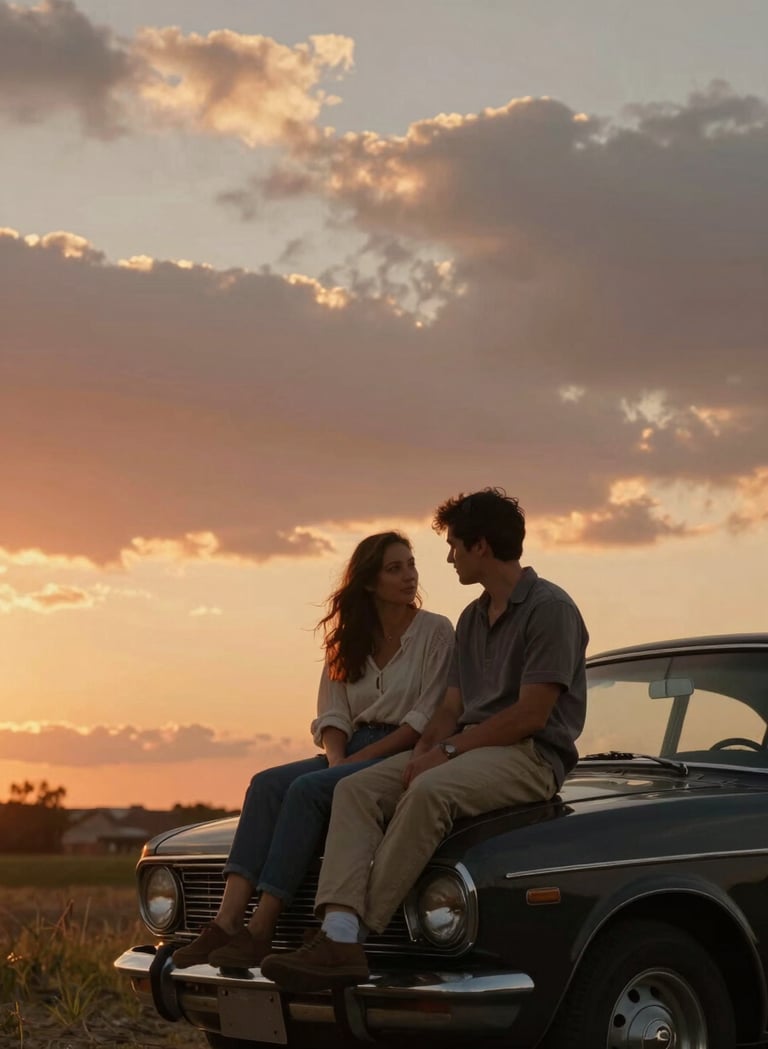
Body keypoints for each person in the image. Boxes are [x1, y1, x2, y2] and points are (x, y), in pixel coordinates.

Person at [261, 488, 589, 991]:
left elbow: (530, 714)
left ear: (481, 546)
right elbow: (451, 708)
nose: (449, 557)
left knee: (430, 791)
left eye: (455, 545)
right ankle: (337, 933)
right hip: (468, 748)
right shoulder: (472, 618)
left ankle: (352, 937)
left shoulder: (550, 609)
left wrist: (449, 753)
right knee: (357, 788)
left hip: (529, 756)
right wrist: (425, 751)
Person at [172, 531, 454, 969]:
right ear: (368, 582)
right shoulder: (347, 639)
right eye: (394, 568)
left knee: (307, 790)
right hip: (346, 749)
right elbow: (333, 717)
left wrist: (349, 766)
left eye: (411, 565)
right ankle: (226, 923)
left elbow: (424, 717)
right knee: (265, 785)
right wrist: (338, 761)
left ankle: (261, 929)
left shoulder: (436, 632)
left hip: (402, 747)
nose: (409, 576)